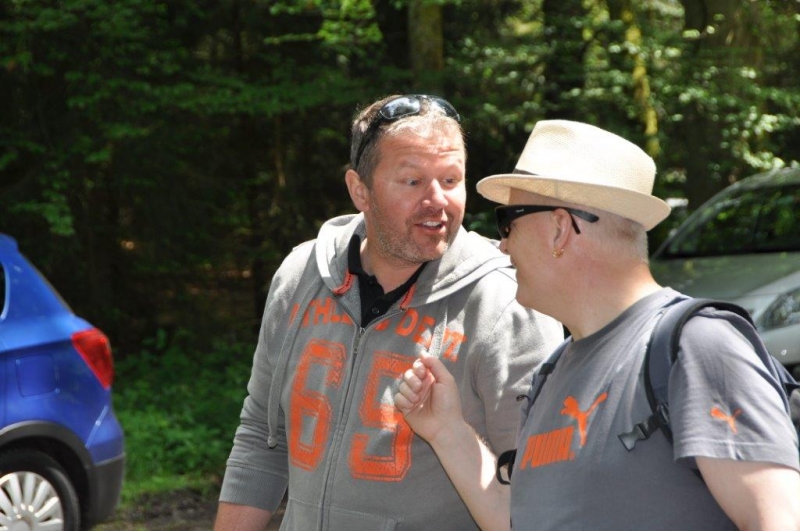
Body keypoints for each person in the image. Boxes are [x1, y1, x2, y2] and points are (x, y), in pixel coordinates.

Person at [395, 119, 800, 530]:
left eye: (508, 221)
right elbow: (519, 521)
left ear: (560, 228)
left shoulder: (699, 346)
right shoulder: (551, 375)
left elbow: (778, 520)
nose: (502, 244)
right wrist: (447, 431)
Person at [213, 95, 564, 531]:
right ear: (360, 190)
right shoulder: (300, 276)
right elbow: (261, 441)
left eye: (451, 179)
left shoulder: (510, 304)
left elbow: (538, 495)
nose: (437, 200)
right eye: (412, 181)